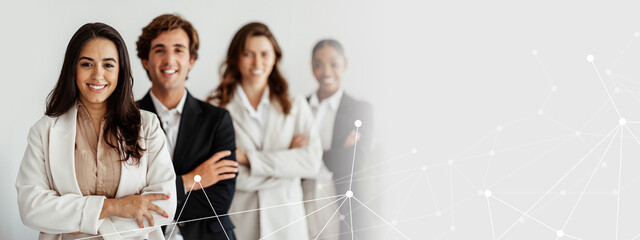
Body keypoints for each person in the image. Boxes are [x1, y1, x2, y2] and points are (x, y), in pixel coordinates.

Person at [15, 22, 176, 240]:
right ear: (73, 68)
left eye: (108, 65)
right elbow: (32, 208)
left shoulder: (147, 125)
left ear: (121, 70)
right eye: (87, 64)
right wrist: (113, 207)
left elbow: (163, 206)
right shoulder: (44, 131)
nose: (97, 75)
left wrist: (72, 220)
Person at [206, 22, 322, 239]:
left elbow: (311, 163)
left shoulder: (295, 104)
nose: (257, 62)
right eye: (248, 54)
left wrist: (248, 159)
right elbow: (221, 176)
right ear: (235, 58)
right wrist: (287, 165)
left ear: (275, 57)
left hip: (287, 223)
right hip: (240, 222)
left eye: (264, 54)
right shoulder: (214, 107)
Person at [136, 14, 238, 240]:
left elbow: (220, 198)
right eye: (160, 50)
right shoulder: (126, 119)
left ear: (191, 60)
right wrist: (190, 181)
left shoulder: (218, 119)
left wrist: (153, 196)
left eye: (179, 50)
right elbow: (126, 196)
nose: (169, 60)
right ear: (146, 61)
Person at [302, 39, 374, 240]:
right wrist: (337, 153)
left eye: (333, 64)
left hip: (339, 202)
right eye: (318, 64)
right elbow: (288, 158)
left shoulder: (360, 110)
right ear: (311, 66)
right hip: (302, 201)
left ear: (345, 64)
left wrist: (305, 154)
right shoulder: (299, 107)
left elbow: (354, 161)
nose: (326, 72)